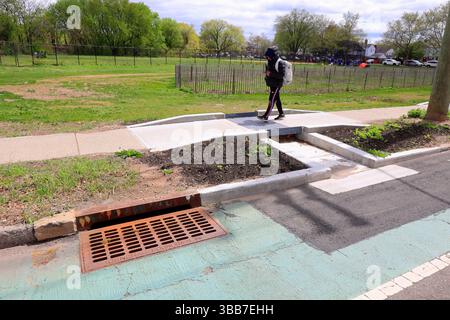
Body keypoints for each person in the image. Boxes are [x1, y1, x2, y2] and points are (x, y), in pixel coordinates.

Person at [257, 46, 285, 121]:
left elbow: (281, 75)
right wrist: (267, 73)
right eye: (267, 57)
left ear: (273, 55)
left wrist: (270, 74)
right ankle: (281, 114)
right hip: (272, 83)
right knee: (277, 99)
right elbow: (270, 71)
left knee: (272, 99)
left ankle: (266, 116)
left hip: (277, 84)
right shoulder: (270, 61)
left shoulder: (280, 62)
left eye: (268, 57)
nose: (267, 58)